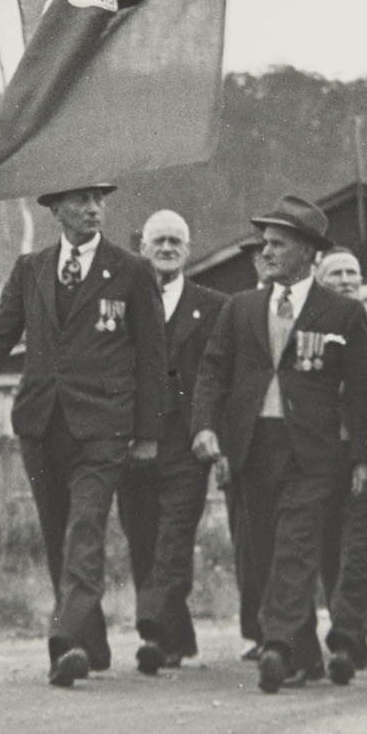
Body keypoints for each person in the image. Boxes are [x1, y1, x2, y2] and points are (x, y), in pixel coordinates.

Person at [0, 181, 167, 688]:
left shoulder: (132, 272)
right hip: (41, 424)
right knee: (60, 535)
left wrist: (147, 433)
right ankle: (92, 642)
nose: (92, 209)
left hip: (104, 428)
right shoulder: (32, 270)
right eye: (80, 200)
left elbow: (152, 357)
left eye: (99, 200)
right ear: (54, 208)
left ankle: (67, 640)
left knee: (85, 528)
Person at [191, 197, 367, 692]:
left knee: (295, 547)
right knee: (266, 552)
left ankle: (277, 645)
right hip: (252, 446)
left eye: (278, 244)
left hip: (313, 453)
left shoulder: (344, 313)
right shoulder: (240, 308)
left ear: (309, 252)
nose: (266, 253)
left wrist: (362, 457)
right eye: (265, 244)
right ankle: (307, 656)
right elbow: (212, 373)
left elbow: (360, 392)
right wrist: (205, 428)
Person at [124, 210, 224, 674]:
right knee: (141, 534)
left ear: (188, 249)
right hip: (135, 439)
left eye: (174, 242)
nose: (166, 249)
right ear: (142, 248)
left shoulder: (214, 306)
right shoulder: (125, 300)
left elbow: (218, 374)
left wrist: (210, 429)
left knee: (174, 533)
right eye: (158, 241)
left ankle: (152, 628)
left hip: (186, 440)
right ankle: (176, 637)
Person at [310, 245, 367, 644]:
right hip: (321, 451)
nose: (346, 280)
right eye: (336, 274)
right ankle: (343, 619)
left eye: (352, 273)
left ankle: (348, 626)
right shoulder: (310, 328)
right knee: (328, 540)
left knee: (360, 543)